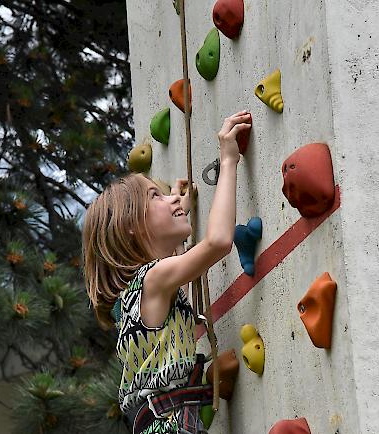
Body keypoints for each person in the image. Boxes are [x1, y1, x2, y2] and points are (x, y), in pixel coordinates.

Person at [82, 111, 252, 434]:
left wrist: (177, 207)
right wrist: (228, 161)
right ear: (130, 226)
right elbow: (217, 242)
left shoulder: (133, 299)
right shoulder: (153, 280)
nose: (170, 197)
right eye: (155, 196)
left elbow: (170, 257)